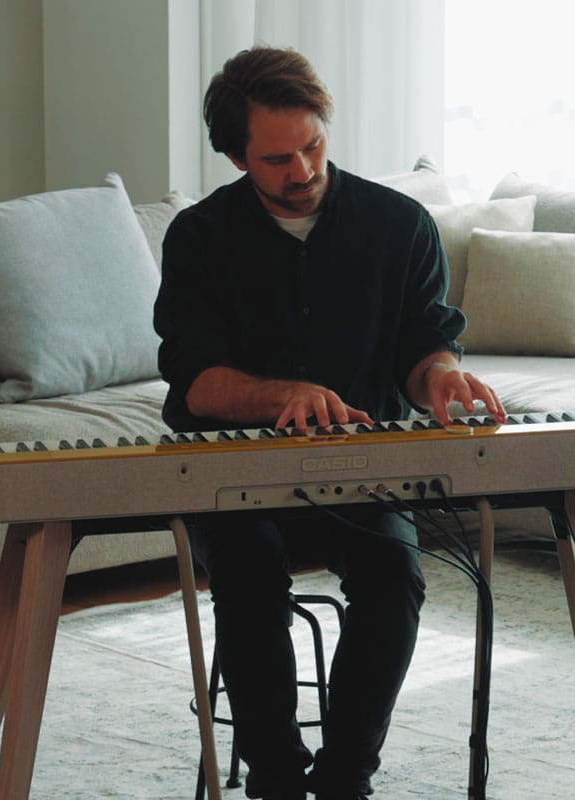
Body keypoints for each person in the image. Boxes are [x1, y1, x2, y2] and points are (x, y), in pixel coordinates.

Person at [153, 46, 505, 800]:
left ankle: (346, 780)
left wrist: (441, 376)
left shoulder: (399, 225)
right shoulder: (199, 237)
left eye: (313, 146)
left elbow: (422, 347)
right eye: (278, 159)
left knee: (394, 576)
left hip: (362, 472)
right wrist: (284, 394)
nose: (304, 170)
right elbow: (199, 382)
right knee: (248, 573)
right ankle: (276, 780)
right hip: (232, 473)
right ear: (236, 157)